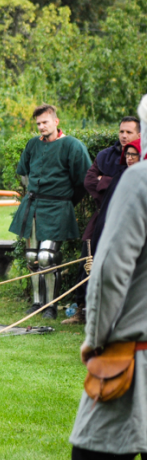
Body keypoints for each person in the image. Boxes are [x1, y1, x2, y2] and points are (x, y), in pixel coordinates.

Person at [68, 154, 147, 460]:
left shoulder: (140, 180)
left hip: (136, 351)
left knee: (93, 459)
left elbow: (110, 270)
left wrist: (95, 339)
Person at [8, 104, 91, 319]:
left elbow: (84, 181)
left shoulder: (73, 146)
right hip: (33, 206)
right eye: (38, 124)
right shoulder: (33, 144)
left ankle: (51, 306)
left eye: (45, 122)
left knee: (47, 257)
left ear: (56, 121)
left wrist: (66, 202)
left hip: (58, 208)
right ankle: (37, 303)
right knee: (31, 257)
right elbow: (23, 173)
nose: (41, 127)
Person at [63, 117, 140, 325]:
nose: (124, 136)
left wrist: (105, 181)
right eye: (121, 131)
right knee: (87, 260)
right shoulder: (106, 155)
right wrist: (107, 196)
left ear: (139, 135)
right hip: (101, 215)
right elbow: (89, 180)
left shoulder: (139, 157)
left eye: (129, 132)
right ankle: (82, 309)